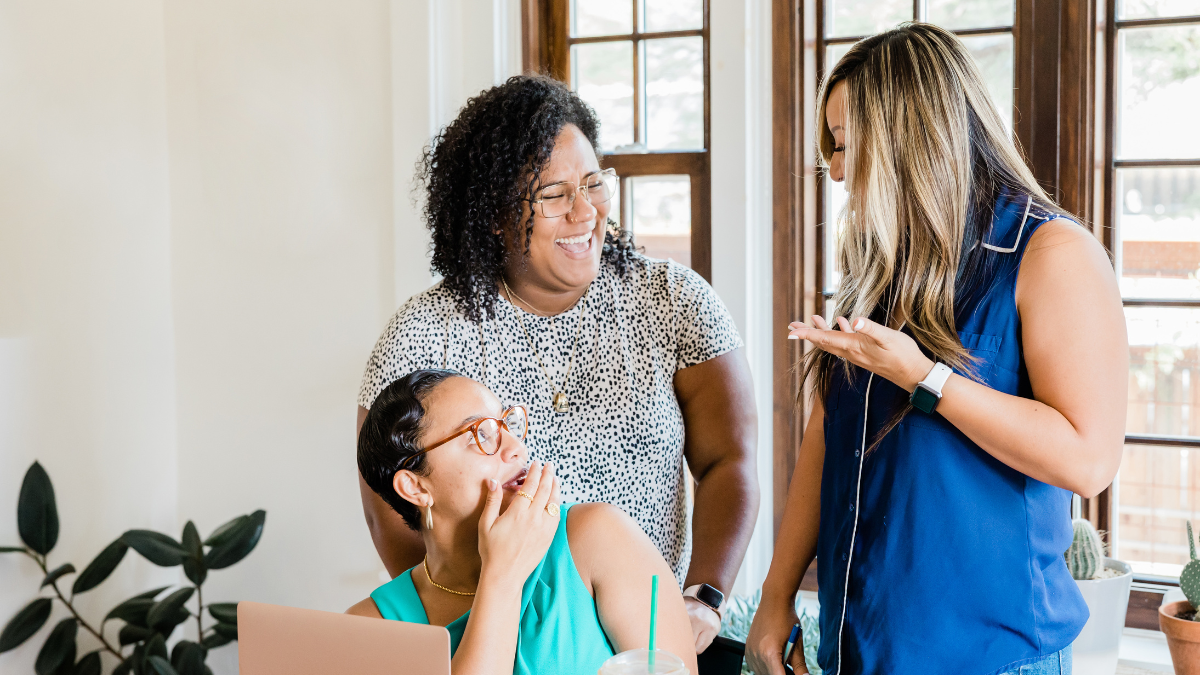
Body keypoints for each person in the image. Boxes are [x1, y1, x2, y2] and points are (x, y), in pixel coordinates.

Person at [745, 23, 1126, 675]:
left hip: (994, 659)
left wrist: (927, 378)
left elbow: (1089, 459)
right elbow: (828, 429)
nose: (835, 170)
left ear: (912, 135)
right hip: (856, 650)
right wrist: (776, 594)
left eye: (845, 143)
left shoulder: (1052, 254)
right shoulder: (882, 262)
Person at [356, 75, 758, 652]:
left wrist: (704, 596)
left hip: (648, 636)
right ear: (494, 213)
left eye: (593, 184)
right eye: (552, 195)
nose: (585, 212)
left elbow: (730, 460)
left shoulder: (674, 301)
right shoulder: (424, 334)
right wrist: (466, 629)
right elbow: (394, 506)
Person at [348, 369, 699, 675]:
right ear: (416, 486)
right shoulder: (372, 628)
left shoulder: (598, 538)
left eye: (506, 424)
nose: (516, 447)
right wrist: (502, 575)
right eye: (479, 435)